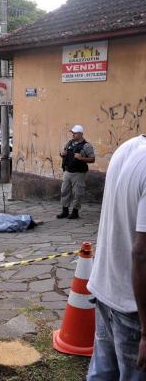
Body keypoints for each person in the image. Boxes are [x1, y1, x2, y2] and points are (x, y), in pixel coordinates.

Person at [87, 135, 146, 380]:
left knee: (102, 374)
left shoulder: (128, 148)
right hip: (134, 309)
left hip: (105, 290)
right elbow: (142, 253)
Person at [56, 125, 95, 219]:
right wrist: (62, 154)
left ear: (81, 134)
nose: (72, 134)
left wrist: (81, 158)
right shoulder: (69, 143)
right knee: (64, 191)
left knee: (77, 193)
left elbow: (92, 159)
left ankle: (75, 212)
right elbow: (63, 153)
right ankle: (65, 211)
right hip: (67, 171)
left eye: (75, 133)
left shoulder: (87, 146)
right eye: (72, 133)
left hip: (79, 173)